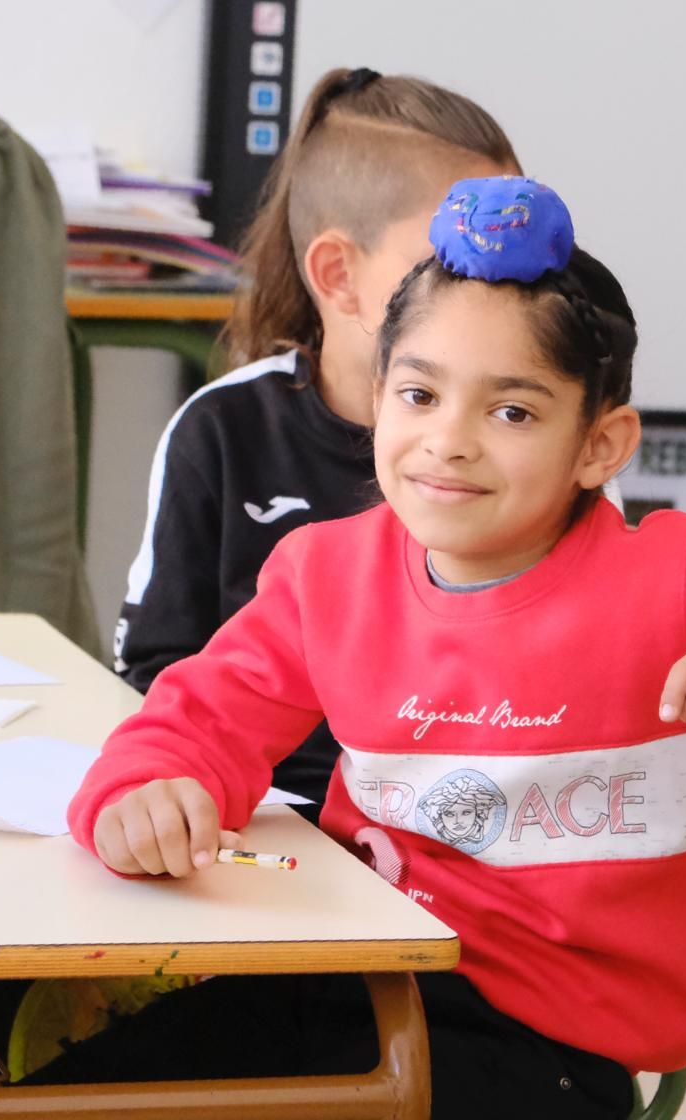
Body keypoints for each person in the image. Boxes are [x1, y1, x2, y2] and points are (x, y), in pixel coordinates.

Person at [41, 177, 686, 1118]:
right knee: (73, 1099)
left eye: (511, 412)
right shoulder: (325, 575)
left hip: (549, 1036)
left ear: (598, 445)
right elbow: (200, 717)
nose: (448, 442)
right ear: (377, 401)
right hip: (356, 972)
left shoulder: (667, 577)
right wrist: (148, 788)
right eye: (420, 394)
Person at [112, 67, 520, 807]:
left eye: (512, 262)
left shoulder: (542, 446)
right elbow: (154, 670)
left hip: (460, 831)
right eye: (456, 259)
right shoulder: (223, 428)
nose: (495, 293)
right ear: (338, 274)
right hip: (259, 819)